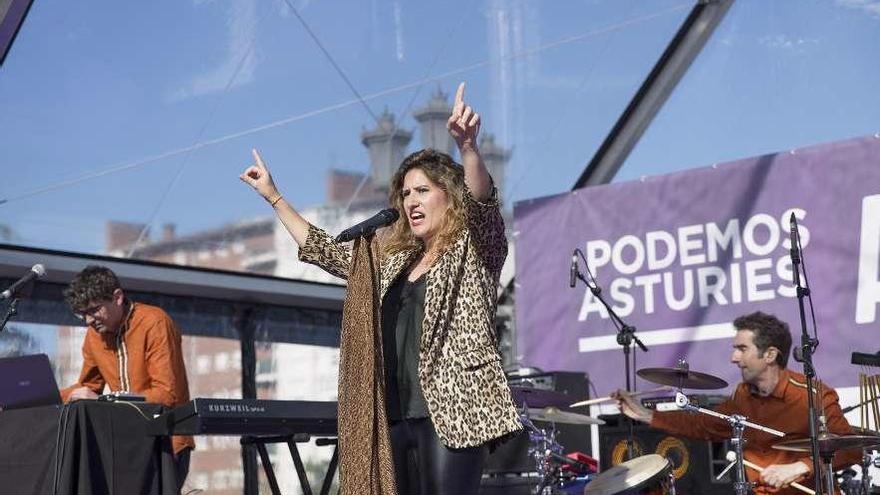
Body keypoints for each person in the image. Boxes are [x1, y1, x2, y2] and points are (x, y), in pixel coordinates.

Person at [240, 82, 521, 495]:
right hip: (393, 414)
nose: (411, 201)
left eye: (423, 190)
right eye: (405, 193)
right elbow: (329, 253)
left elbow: (483, 205)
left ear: (450, 196)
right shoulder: (394, 261)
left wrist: (469, 148)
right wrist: (275, 198)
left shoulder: (474, 249)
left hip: (453, 411)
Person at [614, 311, 859, 495]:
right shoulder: (742, 395)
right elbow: (704, 425)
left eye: (742, 349)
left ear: (770, 355)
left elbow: (851, 449)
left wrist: (800, 466)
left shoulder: (812, 395)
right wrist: (646, 415)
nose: (734, 358)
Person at [60, 265, 194, 492]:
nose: (88, 321)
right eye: (82, 314)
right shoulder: (94, 336)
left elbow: (165, 395)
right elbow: (87, 388)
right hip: (127, 444)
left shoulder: (155, 322)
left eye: (94, 310)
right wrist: (37, 397)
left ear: (118, 297)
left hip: (167, 444)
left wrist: (106, 401)